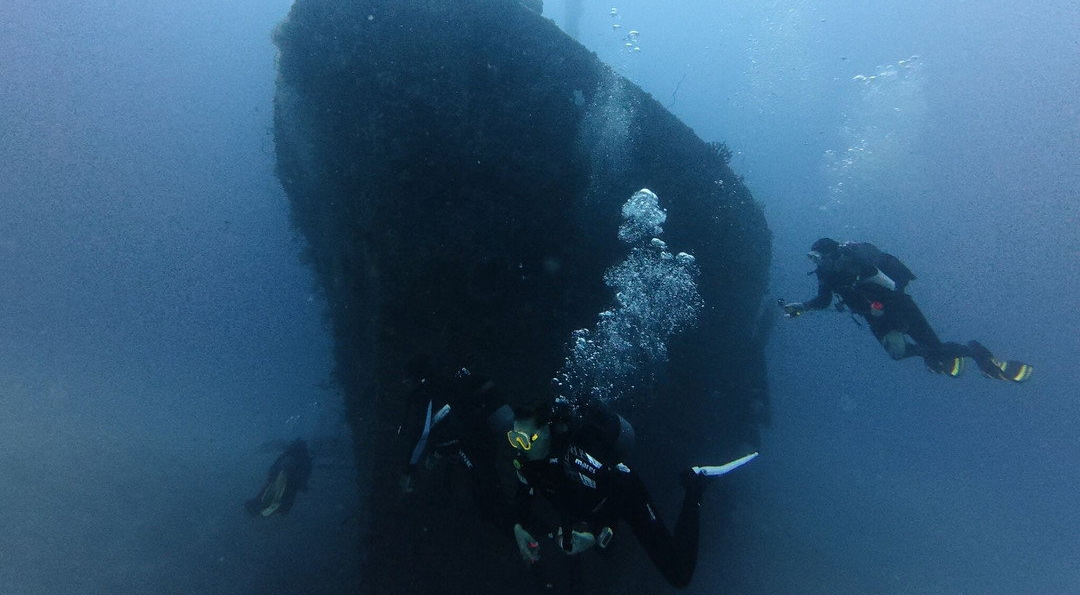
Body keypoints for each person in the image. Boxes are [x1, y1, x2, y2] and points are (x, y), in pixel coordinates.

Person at [507, 399, 755, 590]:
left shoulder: (575, 458)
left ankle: (696, 484)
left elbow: (617, 491)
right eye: (514, 439)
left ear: (546, 432)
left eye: (525, 440)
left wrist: (593, 534)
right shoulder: (530, 461)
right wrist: (519, 527)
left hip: (626, 493)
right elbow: (523, 493)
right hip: (588, 506)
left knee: (679, 574)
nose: (520, 448)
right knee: (593, 551)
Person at [779, 238, 1032, 382]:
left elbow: (887, 283)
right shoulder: (826, 274)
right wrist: (802, 307)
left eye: (818, 257)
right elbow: (823, 301)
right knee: (901, 353)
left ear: (832, 253)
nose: (817, 263)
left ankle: (977, 354)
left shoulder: (856, 262)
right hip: (878, 316)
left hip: (897, 305)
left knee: (933, 346)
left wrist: (873, 295)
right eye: (813, 259)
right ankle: (938, 356)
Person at [398, 357, 514, 528]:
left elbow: (423, 433)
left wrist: (408, 470)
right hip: (479, 434)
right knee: (487, 483)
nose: (406, 386)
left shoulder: (426, 391)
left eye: (407, 381)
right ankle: (508, 522)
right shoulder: (444, 385)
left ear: (415, 379)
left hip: (471, 439)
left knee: (487, 487)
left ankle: (512, 526)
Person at [245, 439, 312, 517]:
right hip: (287, 481)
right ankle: (272, 509)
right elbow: (305, 471)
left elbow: (275, 467)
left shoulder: (289, 455)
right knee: (283, 497)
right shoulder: (303, 458)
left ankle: (259, 506)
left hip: (282, 479)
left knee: (270, 493)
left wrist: (272, 476)